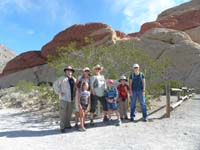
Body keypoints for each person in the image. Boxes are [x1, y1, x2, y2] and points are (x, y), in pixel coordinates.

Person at [53, 66, 76, 133]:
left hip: (71, 98)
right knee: (63, 113)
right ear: (65, 71)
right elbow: (55, 85)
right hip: (64, 98)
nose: (69, 72)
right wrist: (59, 92)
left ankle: (67, 125)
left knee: (69, 113)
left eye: (70, 71)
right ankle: (62, 127)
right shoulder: (62, 79)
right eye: (68, 70)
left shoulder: (74, 79)